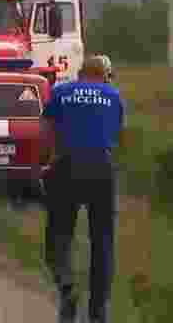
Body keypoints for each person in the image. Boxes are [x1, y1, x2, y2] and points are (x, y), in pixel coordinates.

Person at [40, 55, 123, 323]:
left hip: (66, 166)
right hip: (101, 167)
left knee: (58, 235)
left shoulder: (61, 91)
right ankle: (98, 313)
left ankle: (67, 286)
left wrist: (46, 165)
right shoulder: (113, 95)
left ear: (80, 72)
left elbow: (46, 131)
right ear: (105, 75)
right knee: (103, 242)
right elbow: (115, 134)